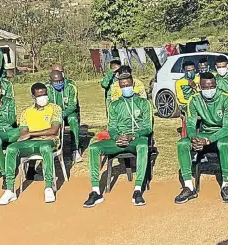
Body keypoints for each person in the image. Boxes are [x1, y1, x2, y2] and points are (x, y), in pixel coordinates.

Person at [84, 70, 153, 208]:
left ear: (133, 85)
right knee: (94, 148)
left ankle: (138, 190)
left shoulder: (143, 103)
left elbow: (148, 127)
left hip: (136, 138)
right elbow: (112, 127)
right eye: (123, 86)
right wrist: (116, 137)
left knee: (143, 147)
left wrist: (133, 136)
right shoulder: (114, 105)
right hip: (119, 139)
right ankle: (95, 191)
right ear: (120, 87)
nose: (125, 88)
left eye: (128, 85)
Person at [174, 72, 228, 204]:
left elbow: (227, 128)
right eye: (206, 87)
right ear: (200, 87)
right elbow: (190, 124)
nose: (209, 90)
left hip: (225, 134)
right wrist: (193, 138)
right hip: (204, 133)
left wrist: (208, 140)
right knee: (182, 144)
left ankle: (226, 184)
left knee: (223, 144)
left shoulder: (226, 98)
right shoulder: (194, 99)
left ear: (216, 85)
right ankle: (188, 187)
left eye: (212, 86)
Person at [0, 83, 62, 206]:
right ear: (33, 96)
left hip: (49, 142)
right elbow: (23, 133)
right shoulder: (26, 112)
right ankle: (10, 189)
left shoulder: (55, 108)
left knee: (45, 147)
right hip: (30, 143)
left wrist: (31, 134)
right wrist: (39, 134)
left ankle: (48, 187)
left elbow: (54, 130)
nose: (43, 97)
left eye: (45, 94)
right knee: (11, 148)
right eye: (40, 95)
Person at [48, 70, 82, 163]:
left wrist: (62, 114)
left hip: (68, 112)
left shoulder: (71, 87)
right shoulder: (47, 88)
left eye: (61, 81)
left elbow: (72, 105)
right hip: (53, 114)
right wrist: (55, 116)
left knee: (73, 119)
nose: (59, 83)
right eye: (56, 82)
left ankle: (75, 149)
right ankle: (53, 148)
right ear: (50, 81)